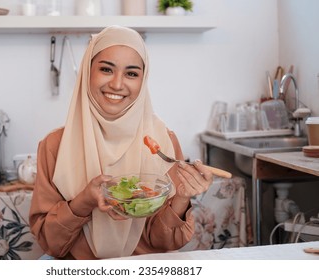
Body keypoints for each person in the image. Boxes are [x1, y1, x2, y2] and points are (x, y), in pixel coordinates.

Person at [29, 25, 213, 260]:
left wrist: (181, 197)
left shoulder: (162, 141)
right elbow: (50, 243)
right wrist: (83, 202)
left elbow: (164, 241)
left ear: (143, 80)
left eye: (131, 73)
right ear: (87, 72)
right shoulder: (55, 145)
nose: (117, 84)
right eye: (106, 69)